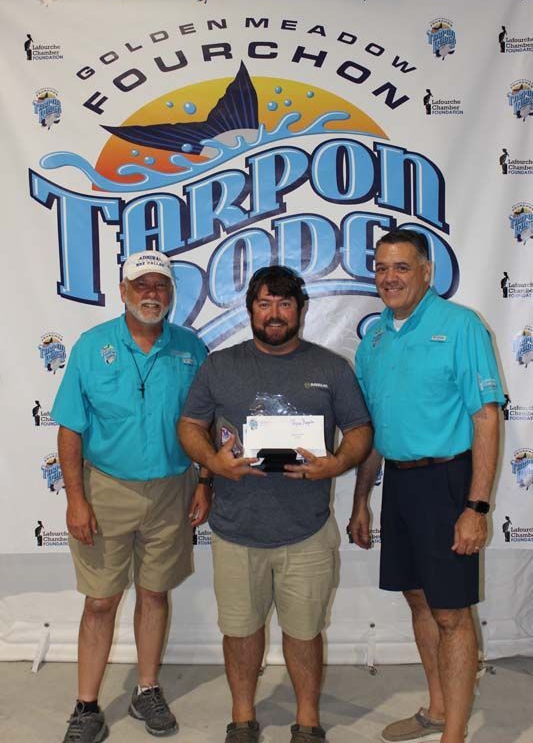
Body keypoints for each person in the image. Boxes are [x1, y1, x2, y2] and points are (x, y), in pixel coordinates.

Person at [179, 266, 372, 743]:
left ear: (301, 310)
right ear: (249, 310)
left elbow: (361, 430)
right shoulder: (219, 366)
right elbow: (189, 425)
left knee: (304, 633)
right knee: (241, 633)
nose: (274, 313)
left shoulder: (331, 368)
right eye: (264, 304)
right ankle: (242, 718)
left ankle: (308, 721)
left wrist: (337, 463)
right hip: (235, 528)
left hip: (305, 530)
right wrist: (213, 464)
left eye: (285, 304)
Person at [349, 230, 504, 743]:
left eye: (402, 267)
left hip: (448, 480)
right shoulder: (374, 340)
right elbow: (374, 428)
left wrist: (476, 506)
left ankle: (454, 733)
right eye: (381, 267)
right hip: (400, 483)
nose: (389, 277)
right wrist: (361, 500)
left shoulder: (461, 327)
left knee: (451, 612)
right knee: (418, 600)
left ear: (426, 272)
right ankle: (438, 709)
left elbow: (486, 417)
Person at [52, 250, 209, 743]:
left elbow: (206, 422)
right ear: (123, 291)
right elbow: (70, 429)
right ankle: (86, 705)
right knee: (100, 601)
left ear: (171, 293)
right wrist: (76, 499)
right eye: (141, 285)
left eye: (160, 285)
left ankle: (146, 689)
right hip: (106, 492)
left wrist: (205, 480)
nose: (151, 294)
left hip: (172, 490)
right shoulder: (91, 346)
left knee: (155, 592)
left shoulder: (191, 348)